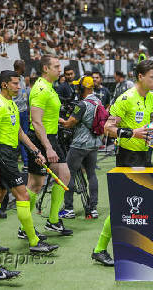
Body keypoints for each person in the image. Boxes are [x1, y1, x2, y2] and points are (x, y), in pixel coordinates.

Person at [91, 60, 153, 266]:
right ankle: (99, 249)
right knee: (123, 207)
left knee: (148, 203)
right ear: (140, 77)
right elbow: (107, 128)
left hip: (145, 156)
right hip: (127, 156)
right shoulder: (125, 99)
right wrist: (133, 133)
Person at [0, 70, 56, 253]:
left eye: (20, 83)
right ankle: (33, 242)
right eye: (15, 84)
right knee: (23, 195)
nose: (19, 87)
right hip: (1, 154)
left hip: (9, 153)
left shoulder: (12, 104)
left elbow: (20, 133)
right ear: (4, 84)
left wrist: (35, 151)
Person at [26, 55, 73, 236]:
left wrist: (62, 121)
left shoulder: (50, 88)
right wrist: (48, 147)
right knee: (35, 184)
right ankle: (25, 228)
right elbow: (36, 122)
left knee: (64, 175)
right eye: (56, 66)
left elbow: (48, 115)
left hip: (52, 137)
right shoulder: (40, 89)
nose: (59, 69)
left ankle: (53, 221)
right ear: (45, 68)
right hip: (40, 139)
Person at [58, 76, 102, 219]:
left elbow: (69, 123)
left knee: (68, 173)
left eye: (79, 86)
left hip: (79, 144)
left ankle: (69, 208)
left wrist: (59, 119)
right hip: (94, 143)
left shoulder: (82, 104)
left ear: (83, 88)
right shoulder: (98, 101)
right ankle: (93, 208)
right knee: (91, 174)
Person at [13, 60, 29, 170]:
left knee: (25, 136)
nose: (25, 68)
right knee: (19, 137)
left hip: (24, 111)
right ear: (20, 67)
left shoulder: (22, 78)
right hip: (16, 112)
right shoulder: (13, 79)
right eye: (24, 66)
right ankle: (25, 162)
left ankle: (27, 162)